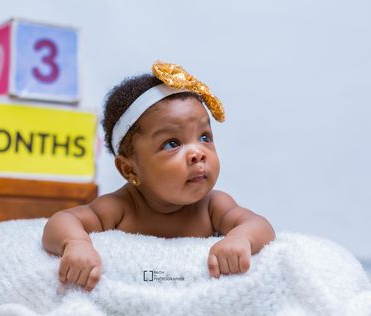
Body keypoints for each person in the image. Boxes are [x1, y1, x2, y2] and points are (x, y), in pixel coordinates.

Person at [42, 61, 275, 292]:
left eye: (205, 137)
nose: (198, 153)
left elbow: (260, 226)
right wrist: (76, 243)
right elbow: (61, 221)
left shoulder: (213, 206)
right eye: (172, 143)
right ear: (129, 170)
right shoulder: (120, 208)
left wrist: (241, 238)